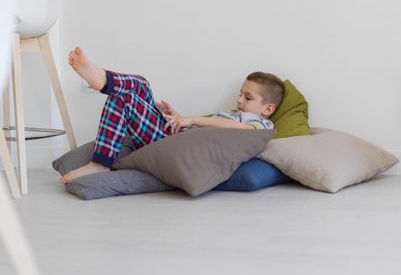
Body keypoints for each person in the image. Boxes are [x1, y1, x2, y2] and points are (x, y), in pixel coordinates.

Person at [60, 47, 284, 183]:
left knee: (125, 99)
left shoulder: (260, 128)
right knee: (141, 85)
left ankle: (100, 163)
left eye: (248, 97)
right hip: (176, 136)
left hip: (171, 146)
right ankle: (103, 78)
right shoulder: (233, 114)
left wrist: (192, 120)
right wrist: (178, 118)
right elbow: (205, 131)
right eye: (240, 95)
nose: (239, 101)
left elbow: (238, 130)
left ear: (268, 109)